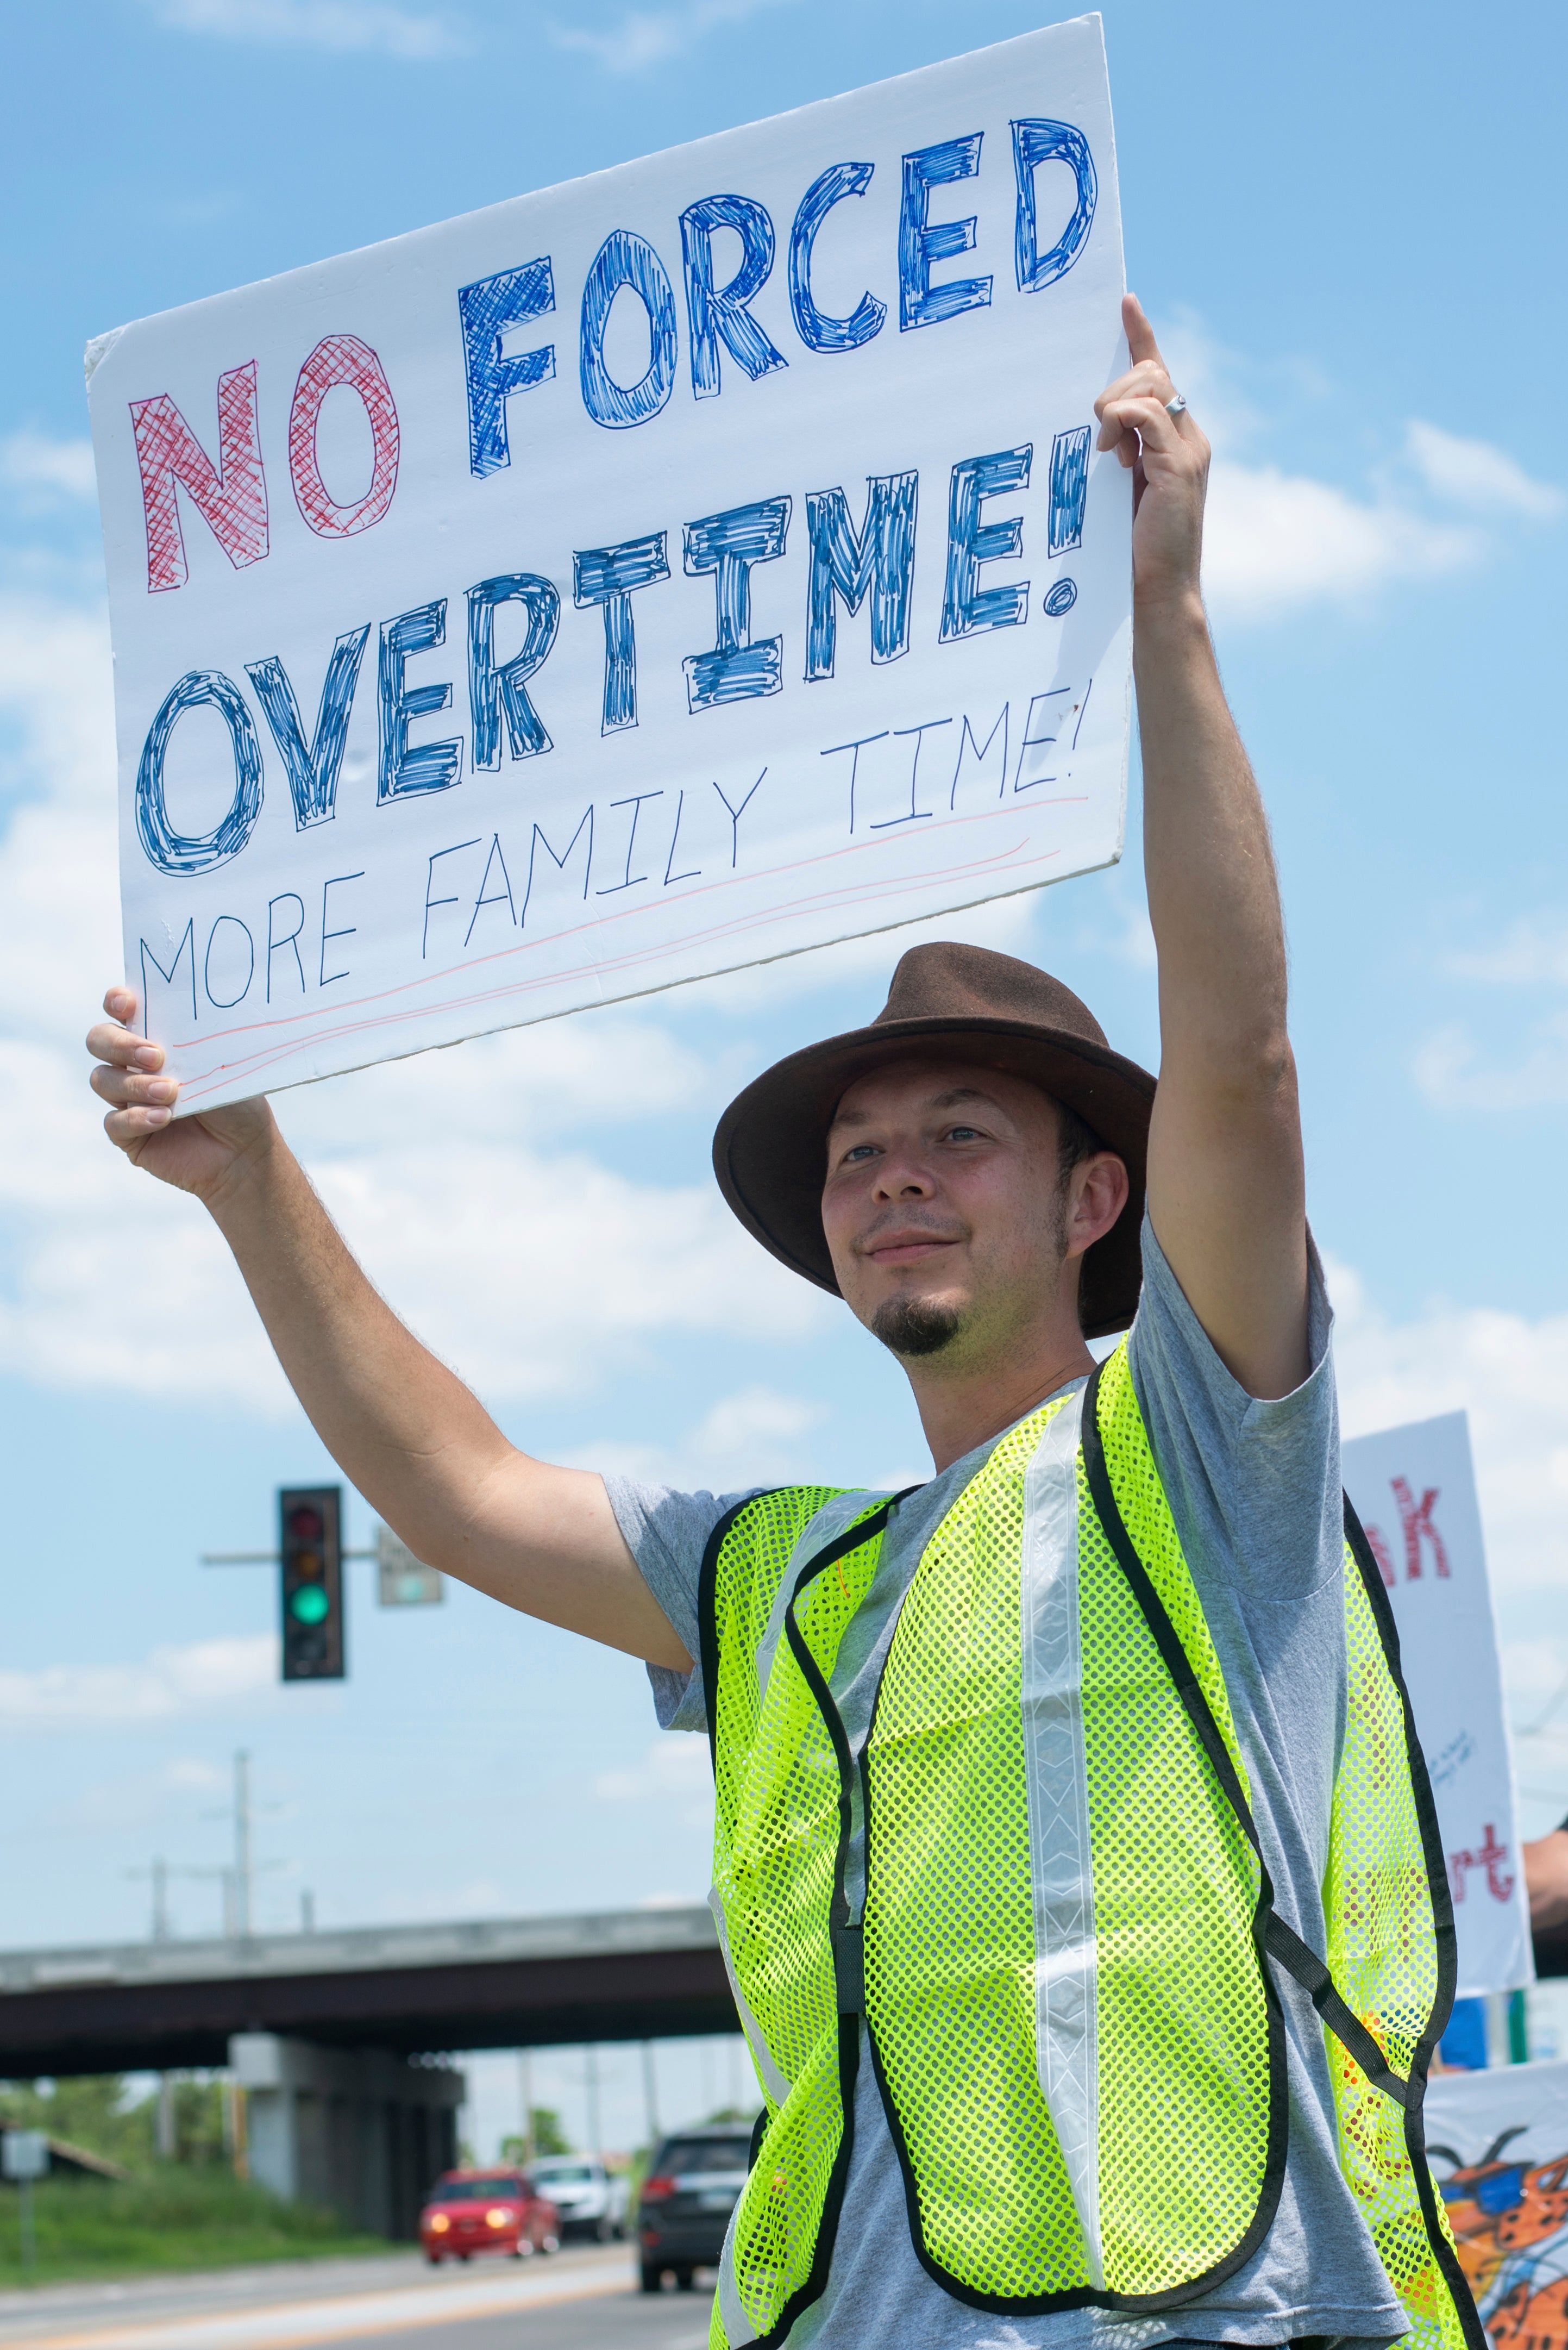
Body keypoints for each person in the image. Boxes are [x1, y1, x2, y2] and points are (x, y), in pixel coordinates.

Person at [85, 299, 1478, 2350]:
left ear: (1100, 1198)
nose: (891, 1171)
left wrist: (1166, 613)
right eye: (856, 1153)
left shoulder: (1199, 1450)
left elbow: (1243, 1066)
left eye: (958, 1132)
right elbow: (458, 1491)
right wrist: (251, 1178)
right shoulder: (780, 1580)